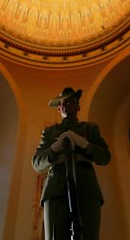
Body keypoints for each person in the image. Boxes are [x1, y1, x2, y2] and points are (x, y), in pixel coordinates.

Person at [32, 87, 111, 240]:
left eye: (71, 102)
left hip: (86, 188)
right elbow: (37, 162)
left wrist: (84, 144)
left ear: (78, 106)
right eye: (64, 102)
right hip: (56, 189)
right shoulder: (49, 132)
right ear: (59, 108)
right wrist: (55, 148)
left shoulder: (90, 128)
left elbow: (105, 157)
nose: (67, 105)